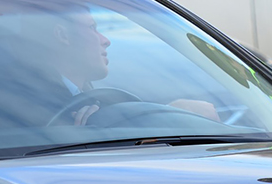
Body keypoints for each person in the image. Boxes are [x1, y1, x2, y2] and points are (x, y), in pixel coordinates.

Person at [31, 7, 220, 125]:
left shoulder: (84, 98)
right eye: (92, 28)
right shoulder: (34, 107)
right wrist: (168, 114)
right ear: (63, 35)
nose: (106, 41)